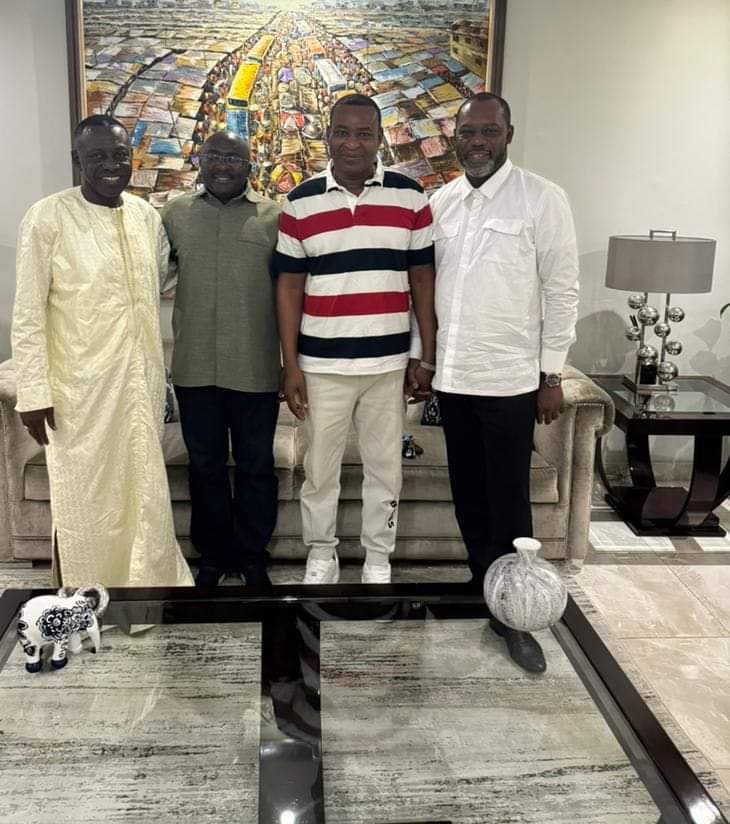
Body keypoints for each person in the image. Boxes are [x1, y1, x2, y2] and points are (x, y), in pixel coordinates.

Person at [423, 92, 579, 673]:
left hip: (511, 379)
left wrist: (551, 373)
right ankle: (481, 585)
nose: (478, 142)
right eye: (468, 133)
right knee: (467, 491)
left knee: (508, 497)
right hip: (454, 376)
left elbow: (562, 289)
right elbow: (425, 291)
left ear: (508, 135)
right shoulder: (441, 202)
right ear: (455, 139)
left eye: (489, 131)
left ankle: (516, 613)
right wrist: (425, 361)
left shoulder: (542, 198)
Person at [12, 115, 194, 588]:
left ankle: (147, 587)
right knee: (86, 493)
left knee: (142, 488)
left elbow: (158, 280)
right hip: (78, 390)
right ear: (77, 161)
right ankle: (87, 591)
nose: (111, 165)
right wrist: (33, 391)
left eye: (119, 155)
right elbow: (28, 313)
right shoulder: (47, 218)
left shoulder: (144, 216)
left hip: (140, 382)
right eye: (97, 156)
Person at [275, 93, 436, 585]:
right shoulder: (299, 202)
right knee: (319, 471)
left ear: (379, 138)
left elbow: (423, 282)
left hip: (388, 365)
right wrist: (291, 365)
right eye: (342, 132)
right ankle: (321, 555)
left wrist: (425, 356)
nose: (352, 143)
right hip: (321, 365)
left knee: (385, 469)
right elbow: (289, 287)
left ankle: (378, 559)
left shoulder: (411, 197)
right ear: (327, 137)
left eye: (364, 133)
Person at [161, 132, 281, 588]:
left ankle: (252, 556)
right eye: (214, 155)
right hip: (194, 368)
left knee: (256, 467)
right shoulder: (174, 214)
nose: (223, 165)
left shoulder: (275, 217)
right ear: (200, 160)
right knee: (205, 467)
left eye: (234, 157)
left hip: (256, 367)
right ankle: (212, 556)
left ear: (250, 165)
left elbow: (292, 291)